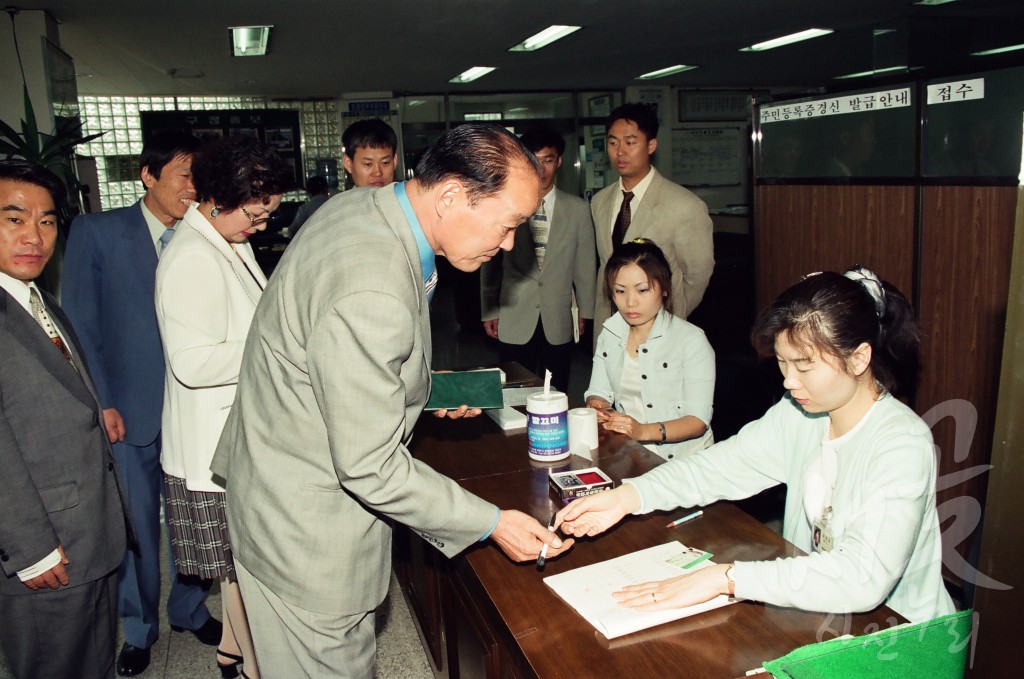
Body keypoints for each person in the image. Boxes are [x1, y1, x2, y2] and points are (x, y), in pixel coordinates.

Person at [210, 123, 572, 677]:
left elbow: (332, 357)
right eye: (508, 225)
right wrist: (491, 522)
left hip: (275, 472)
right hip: (304, 530)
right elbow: (369, 465)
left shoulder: (363, 206)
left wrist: (421, 391)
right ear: (451, 195)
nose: (507, 245)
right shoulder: (372, 286)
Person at [558, 266, 956, 624]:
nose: (788, 381)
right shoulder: (800, 413)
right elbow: (721, 466)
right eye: (782, 363)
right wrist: (628, 496)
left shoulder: (901, 444)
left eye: (804, 365)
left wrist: (727, 578)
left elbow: (862, 577)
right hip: (822, 616)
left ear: (858, 358)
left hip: (897, 637)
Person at [61, 132, 221, 677]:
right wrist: (102, 402)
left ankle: (189, 608)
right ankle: (138, 627)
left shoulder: (206, 236)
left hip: (194, 411)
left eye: (201, 179)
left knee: (192, 516)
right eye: (184, 177)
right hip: (129, 411)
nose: (194, 190)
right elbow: (81, 327)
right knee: (137, 527)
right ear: (148, 176)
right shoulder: (97, 233)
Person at [155, 137, 292, 679]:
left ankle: (232, 654)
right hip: (213, 453)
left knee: (244, 568)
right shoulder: (191, 256)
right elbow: (192, 363)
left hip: (237, 437)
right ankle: (254, 667)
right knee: (243, 570)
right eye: (257, 214)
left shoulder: (229, 242)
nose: (261, 226)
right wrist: (280, 343)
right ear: (218, 198)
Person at [0, 160, 130, 678]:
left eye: (48, 220)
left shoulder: (37, 299)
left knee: (91, 662)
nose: (35, 235)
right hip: (42, 549)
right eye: (15, 218)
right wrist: (30, 550)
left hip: (85, 533)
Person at [480, 125, 596, 392]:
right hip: (515, 314)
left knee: (557, 390)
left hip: (558, 315)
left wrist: (586, 312)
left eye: (549, 160)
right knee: (514, 389)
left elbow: (585, 265)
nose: (541, 168)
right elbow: (491, 263)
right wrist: (490, 309)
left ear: (560, 162)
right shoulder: (505, 205)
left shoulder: (577, 210)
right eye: (534, 160)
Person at [590, 103, 714, 336]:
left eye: (630, 142)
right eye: (613, 142)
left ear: (651, 146)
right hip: (609, 327)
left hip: (661, 328)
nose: (620, 152)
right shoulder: (600, 202)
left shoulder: (684, 205)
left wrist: (673, 312)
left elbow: (697, 274)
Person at [586, 239, 714, 461]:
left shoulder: (691, 340)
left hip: (683, 459)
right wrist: (598, 405)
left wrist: (642, 431)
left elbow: (697, 421)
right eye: (620, 291)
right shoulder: (610, 333)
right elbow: (599, 390)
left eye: (642, 290)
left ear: (664, 289)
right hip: (630, 450)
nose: (630, 302)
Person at [342, 118, 398, 188]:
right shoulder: (341, 199)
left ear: (395, 161)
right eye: (368, 164)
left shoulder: (407, 197)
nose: (378, 173)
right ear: (349, 164)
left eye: (385, 163)